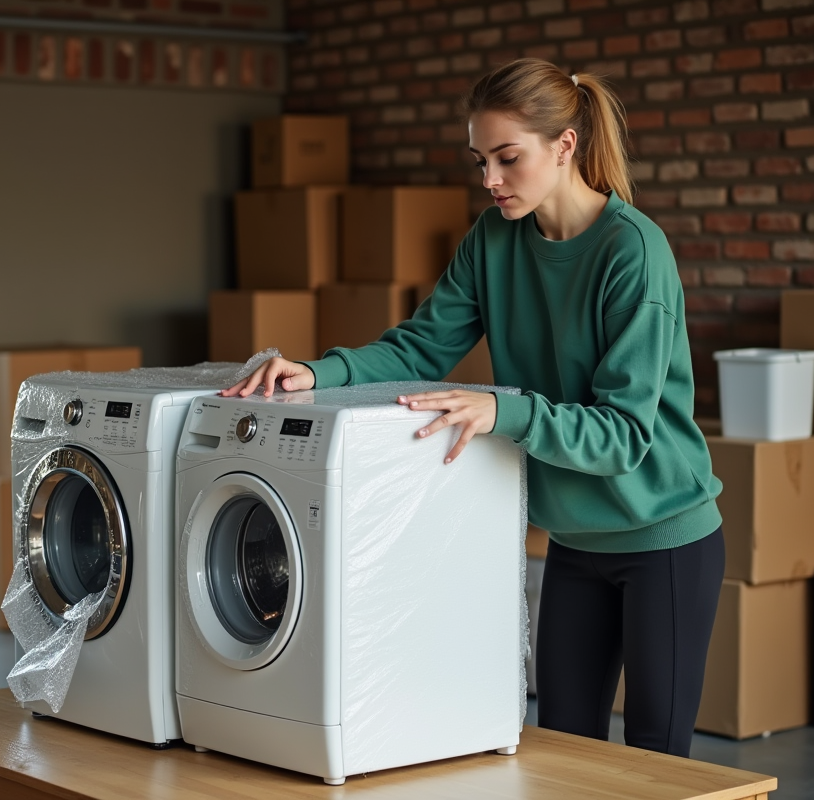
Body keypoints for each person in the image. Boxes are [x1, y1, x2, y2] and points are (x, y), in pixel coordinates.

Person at [221, 58, 724, 759]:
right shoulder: (493, 241)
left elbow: (623, 437)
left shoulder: (632, 252)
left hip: (664, 537)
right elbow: (421, 348)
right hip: (577, 543)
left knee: (653, 760)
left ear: (565, 146)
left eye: (507, 158)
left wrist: (500, 411)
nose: (489, 179)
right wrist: (318, 373)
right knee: (562, 752)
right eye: (480, 159)